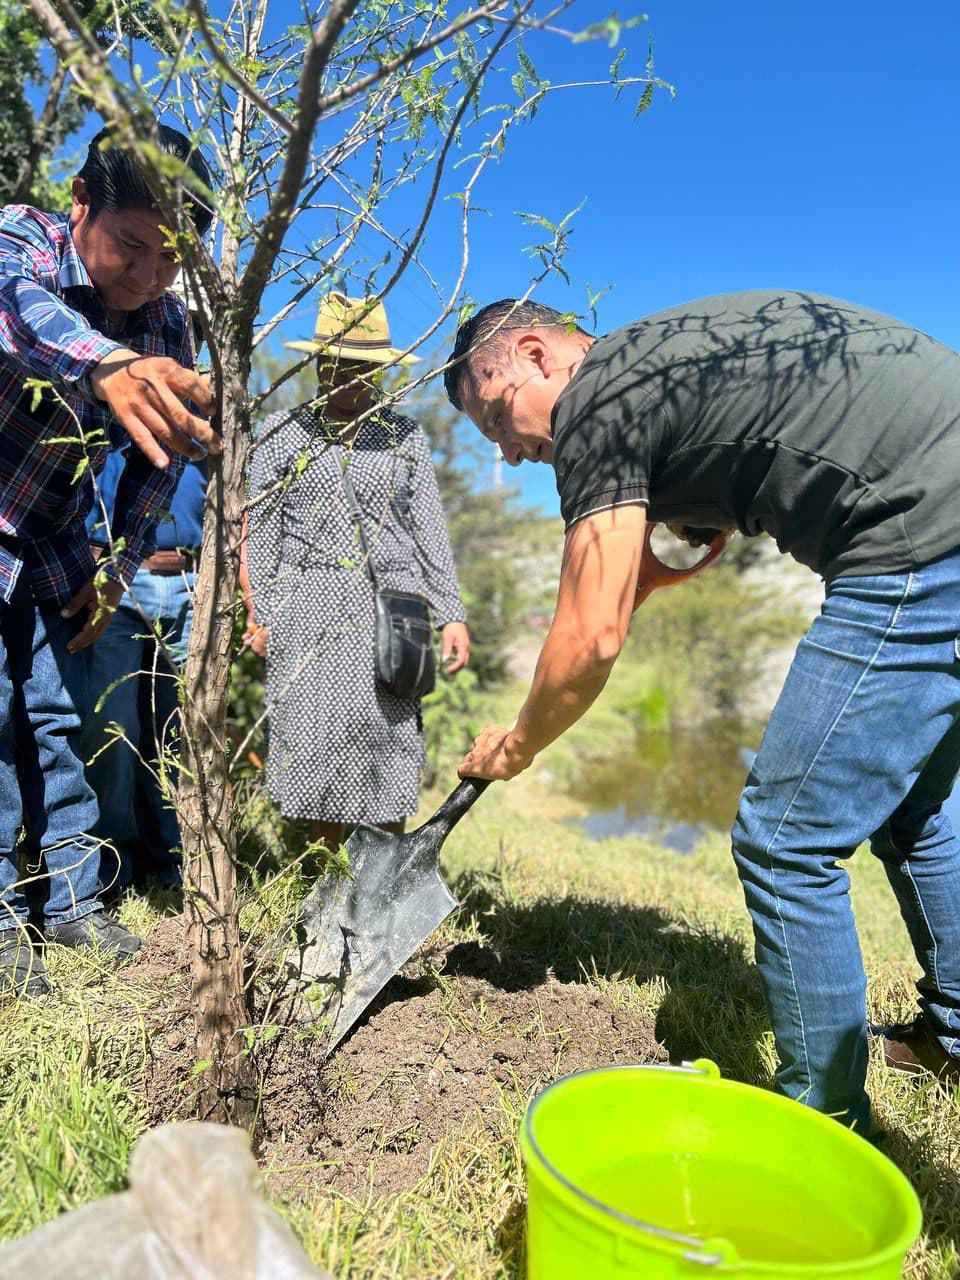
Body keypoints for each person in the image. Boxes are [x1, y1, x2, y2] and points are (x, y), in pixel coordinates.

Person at [446, 291, 960, 1136]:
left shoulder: (598, 400)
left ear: (537, 355)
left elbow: (590, 639)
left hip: (916, 536)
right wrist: (632, 583)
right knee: (919, 812)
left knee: (786, 837)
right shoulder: (660, 364)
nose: (512, 451)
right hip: (940, 506)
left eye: (500, 417)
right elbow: (704, 519)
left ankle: (819, 1126)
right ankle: (952, 1039)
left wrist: (518, 746)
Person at [0, 124, 219, 997]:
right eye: (132, 246)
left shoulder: (167, 318)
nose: (148, 277)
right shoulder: (24, 236)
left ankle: (75, 904)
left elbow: (159, 463)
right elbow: (17, 305)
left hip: (51, 537)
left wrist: (115, 567)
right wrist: (108, 365)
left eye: (171, 260)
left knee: (52, 718)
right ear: (82, 204)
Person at [244, 293, 470, 853]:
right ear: (319, 363)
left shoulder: (403, 437)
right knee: (318, 742)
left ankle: (377, 878)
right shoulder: (281, 432)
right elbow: (262, 530)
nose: (350, 378)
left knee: (387, 741)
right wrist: (262, 612)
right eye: (339, 364)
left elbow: (429, 531)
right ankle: (325, 875)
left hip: (393, 613)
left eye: (364, 367)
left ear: (381, 370)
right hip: (308, 610)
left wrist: (451, 616)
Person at [82, 453, 206, 895]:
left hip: (190, 583)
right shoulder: (108, 405)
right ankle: (111, 861)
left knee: (175, 733)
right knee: (113, 727)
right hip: (119, 577)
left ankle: (169, 858)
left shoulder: (204, 425)